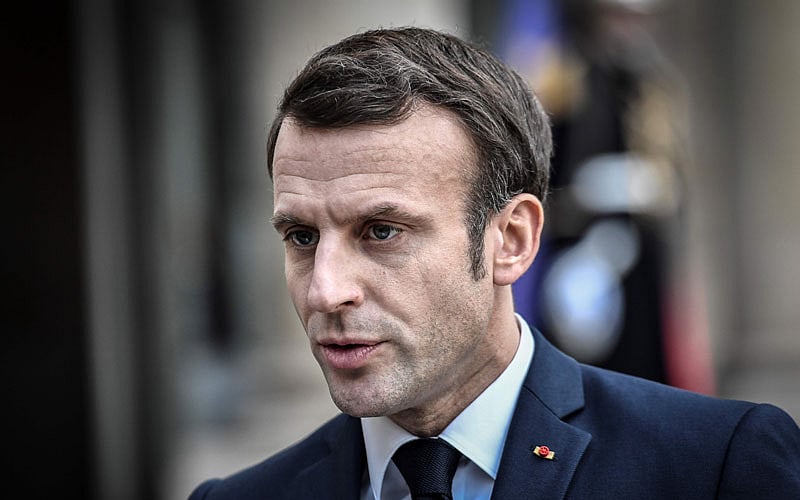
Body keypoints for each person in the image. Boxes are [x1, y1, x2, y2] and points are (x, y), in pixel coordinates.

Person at [190, 27, 800, 500]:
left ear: (511, 239)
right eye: (300, 236)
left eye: (381, 231)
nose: (326, 290)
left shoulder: (717, 466)